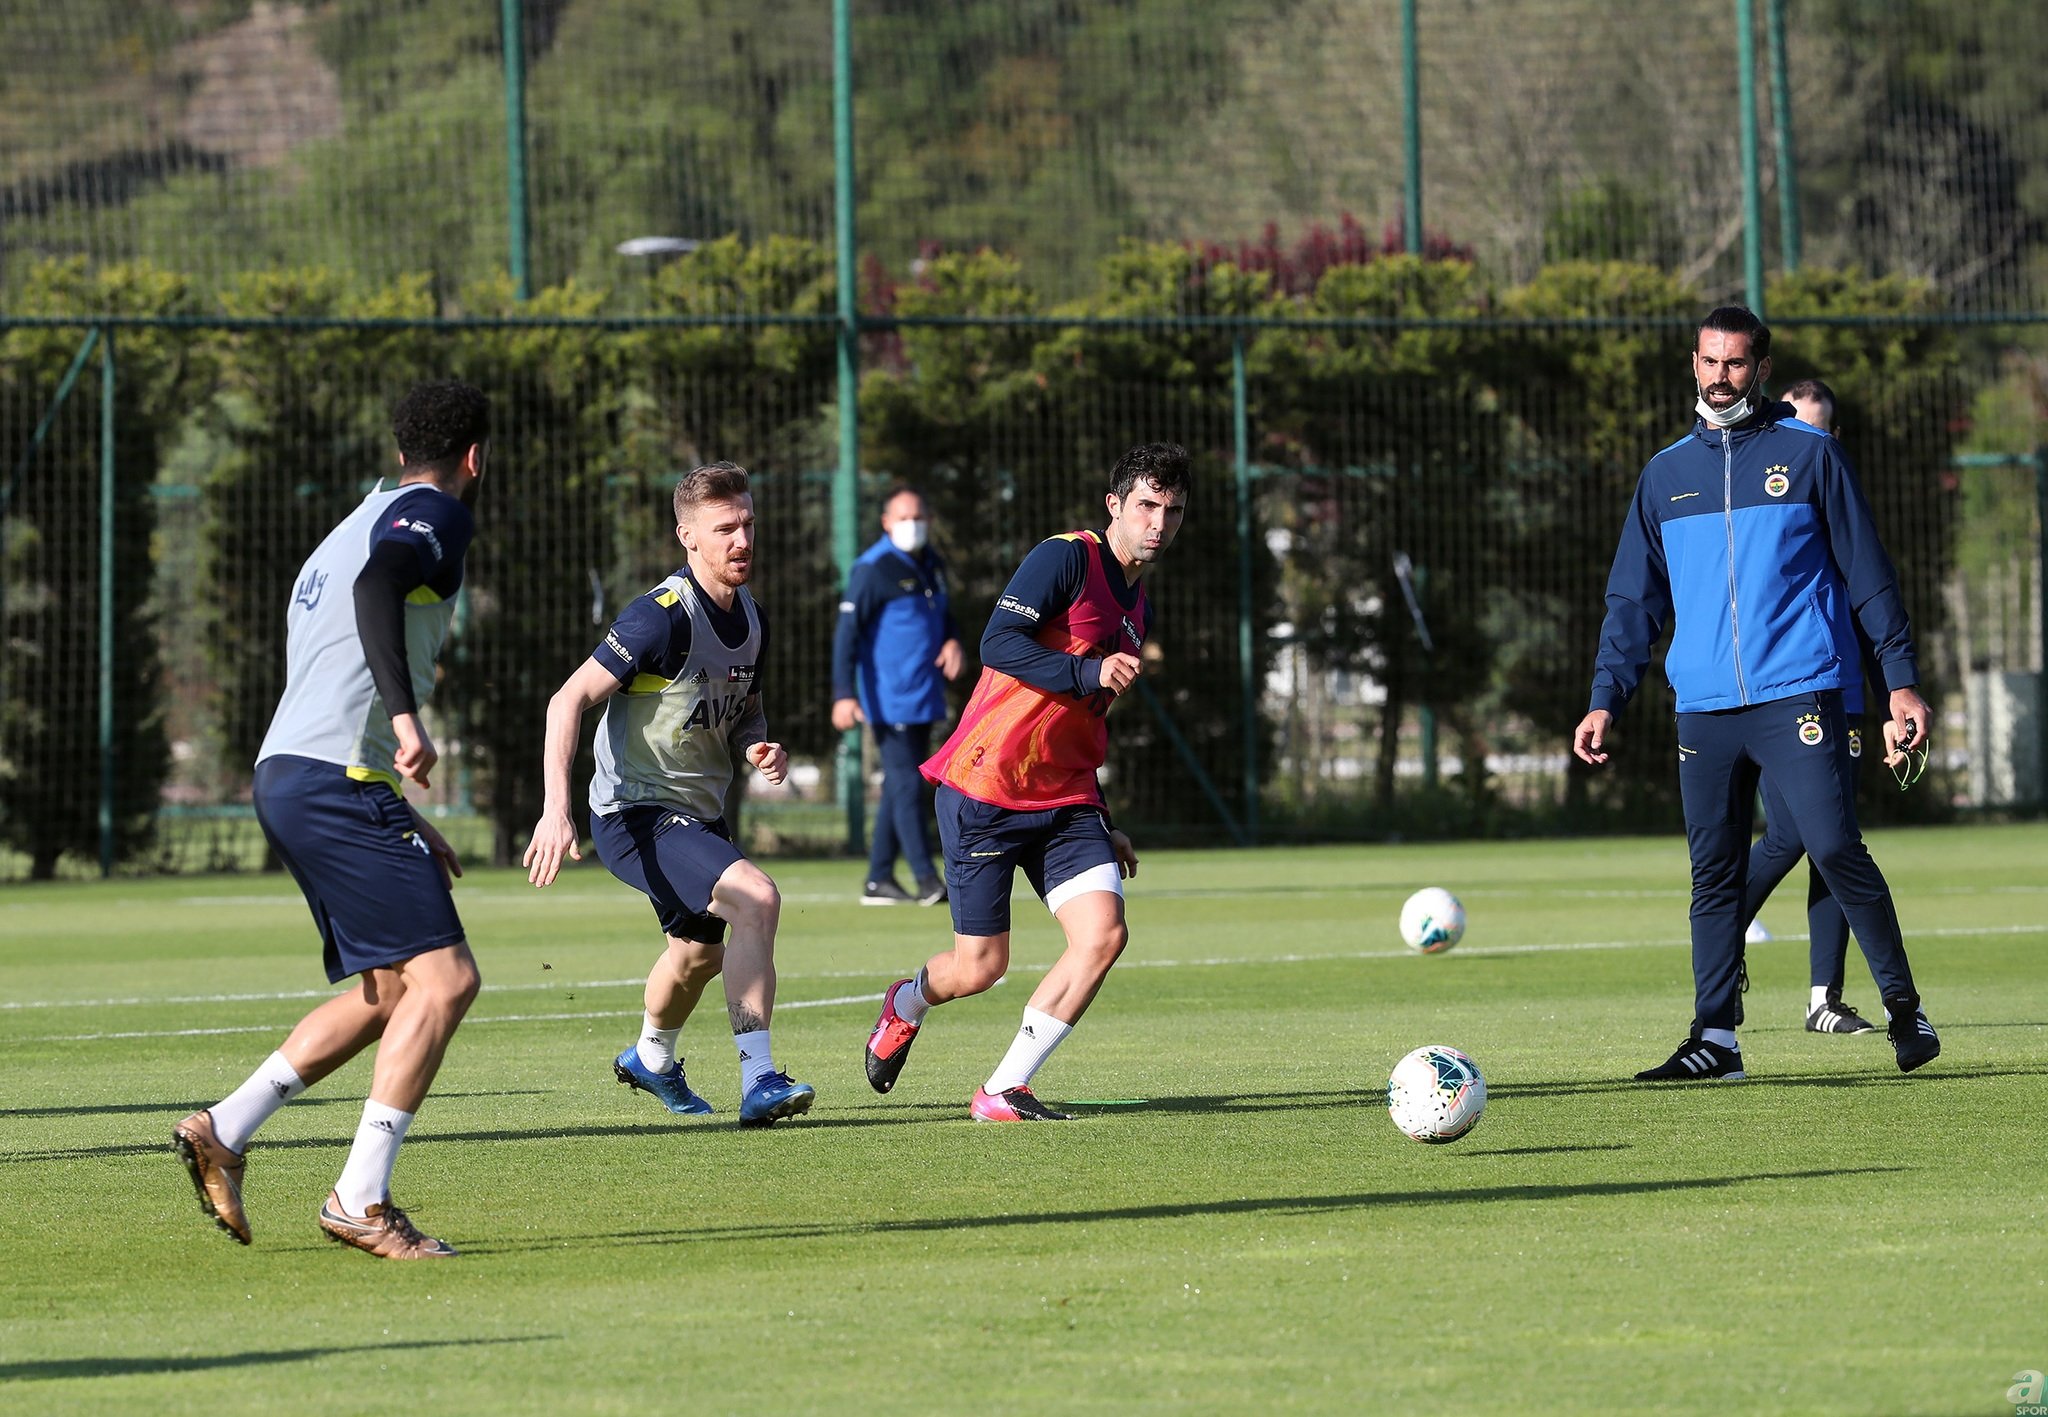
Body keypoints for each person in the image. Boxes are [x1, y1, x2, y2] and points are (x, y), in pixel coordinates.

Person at [1572, 308, 1940, 1080]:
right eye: (1708, 362)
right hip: (1703, 706)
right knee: (1714, 872)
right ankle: (1716, 1038)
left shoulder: (1810, 457)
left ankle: (1905, 1007)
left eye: (1735, 364)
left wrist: (1897, 682)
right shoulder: (1666, 473)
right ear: (1694, 363)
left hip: (1797, 690)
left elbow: (1868, 575)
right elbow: (1633, 601)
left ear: (1762, 370)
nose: (1718, 377)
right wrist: (1607, 695)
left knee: (1834, 845)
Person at [173, 379, 490, 1259]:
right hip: (335, 778)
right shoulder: (436, 515)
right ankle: (360, 1198)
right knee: (449, 981)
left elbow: (327, 662)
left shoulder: (346, 527)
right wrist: (402, 723)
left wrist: (389, 799)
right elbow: (384, 589)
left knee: (391, 992)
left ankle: (224, 1127)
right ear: (476, 457)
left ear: (397, 453)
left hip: (290, 772)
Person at [863, 443, 1190, 1121]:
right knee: (979, 967)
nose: (1159, 522)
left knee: (1103, 934)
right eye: (1147, 505)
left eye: (1173, 510)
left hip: (1066, 800)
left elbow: (1084, 722)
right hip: (987, 785)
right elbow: (998, 643)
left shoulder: (1140, 608)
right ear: (1115, 505)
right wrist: (1086, 672)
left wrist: (1103, 814)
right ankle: (907, 1001)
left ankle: (1003, 1088)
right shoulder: (1067, 557)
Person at [523, 461, 814, 1126]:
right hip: (635, 811)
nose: (741, 539)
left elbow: (745, 711)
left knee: (696, 955)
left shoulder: (754, 621)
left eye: (746, 524)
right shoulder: (659, 619)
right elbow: (566, 701)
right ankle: (761, 1076)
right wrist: (554, 807)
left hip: (696, 815)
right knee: (757, 898)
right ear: (687, 536)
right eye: (723, 528)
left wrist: (756, 745)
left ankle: (650, 1058)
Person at [1735, 377, 1896, 1034]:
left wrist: (1890, 701)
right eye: (1800, 426)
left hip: (1845, 695)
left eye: (1822, 429)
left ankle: (1823, 998)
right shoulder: (1764, 513)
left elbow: (1869, 606)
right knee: (1800, 834)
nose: (1812, 439)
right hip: (1782, 694)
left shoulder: (1840, 500)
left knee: (1837, 842)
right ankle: (1723, 920)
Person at [831, 485, 964, 906]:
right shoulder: (872, 568)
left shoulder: (932, 563)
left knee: (899, 785)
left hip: (925, 693)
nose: (913, 524)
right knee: (908, 784)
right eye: (904, 517)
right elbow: (846, 636)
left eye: (919, 516)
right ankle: (927, 879)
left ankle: (878, 878)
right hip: (888, 697)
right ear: (886, 522)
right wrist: (842, 694)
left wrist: (953, 642)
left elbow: (944, 617)